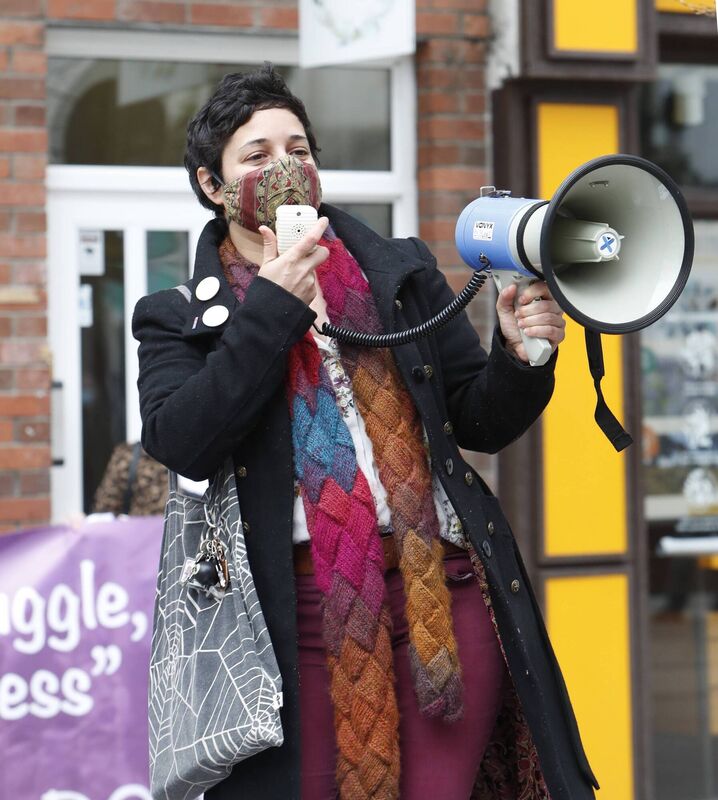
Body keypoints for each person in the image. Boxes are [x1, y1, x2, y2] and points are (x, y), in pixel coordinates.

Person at [132, 65, 598, 800]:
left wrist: (519, 355)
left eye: (299, 149)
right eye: (256, 157)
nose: (285, 167)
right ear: (212, 188)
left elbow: (476, 420)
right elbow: (180, 437)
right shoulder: (177, 316)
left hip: (440, 594)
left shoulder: (398, 274)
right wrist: (274, 312)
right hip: (299, 618)